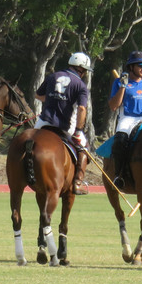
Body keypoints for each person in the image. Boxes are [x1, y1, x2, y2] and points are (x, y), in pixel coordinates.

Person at [35, 52, 91, 192]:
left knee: (27, 141)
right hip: (64, 126)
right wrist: (78, 130)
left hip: (43, 122)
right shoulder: (80, 85)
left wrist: (53, 99)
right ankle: (78, 183)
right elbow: (82, 109)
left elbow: (38, 95)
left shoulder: (53, 76)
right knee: (84, 148)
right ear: (81, 69)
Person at [108, 50, 142, 189]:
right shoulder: (119, 82)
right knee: (120, 141)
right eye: (140, 65)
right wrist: (122, 87)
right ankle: (119, 175)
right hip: (128, 118)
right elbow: (114, 106)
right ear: (131, 67)